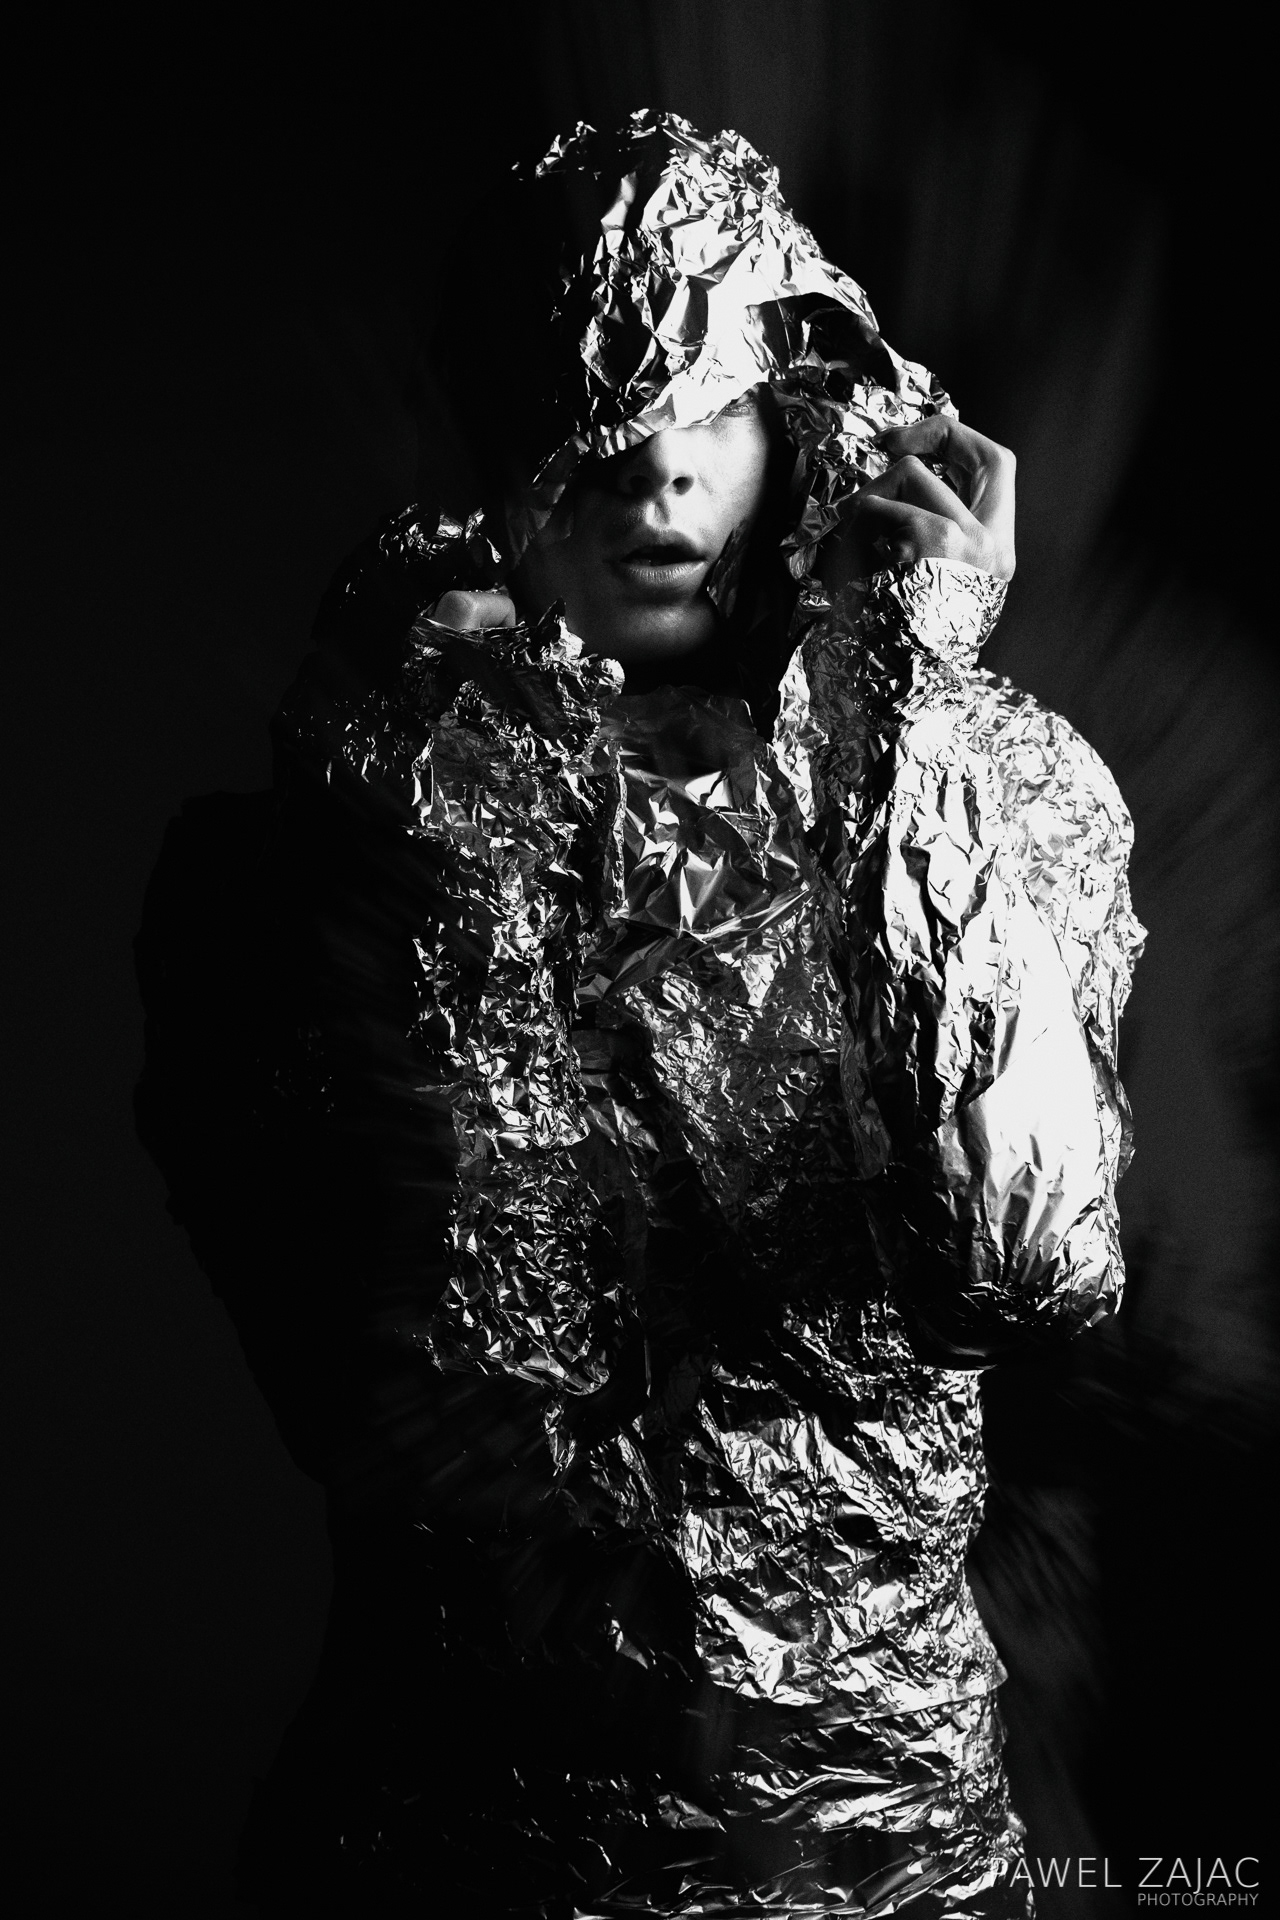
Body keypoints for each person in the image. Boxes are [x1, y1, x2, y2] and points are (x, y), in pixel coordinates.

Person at [136, 111, 1143, 1916]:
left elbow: (1022, 1267)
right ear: (497, 449)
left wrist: (906, 716)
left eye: (713, 404)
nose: (661, 475)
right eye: (596, 417)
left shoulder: (998, 785)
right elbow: (439, 1401)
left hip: (885, 1845)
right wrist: (447, 798)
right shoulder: (304, 854)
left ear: (808, 419)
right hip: (459, 1852)